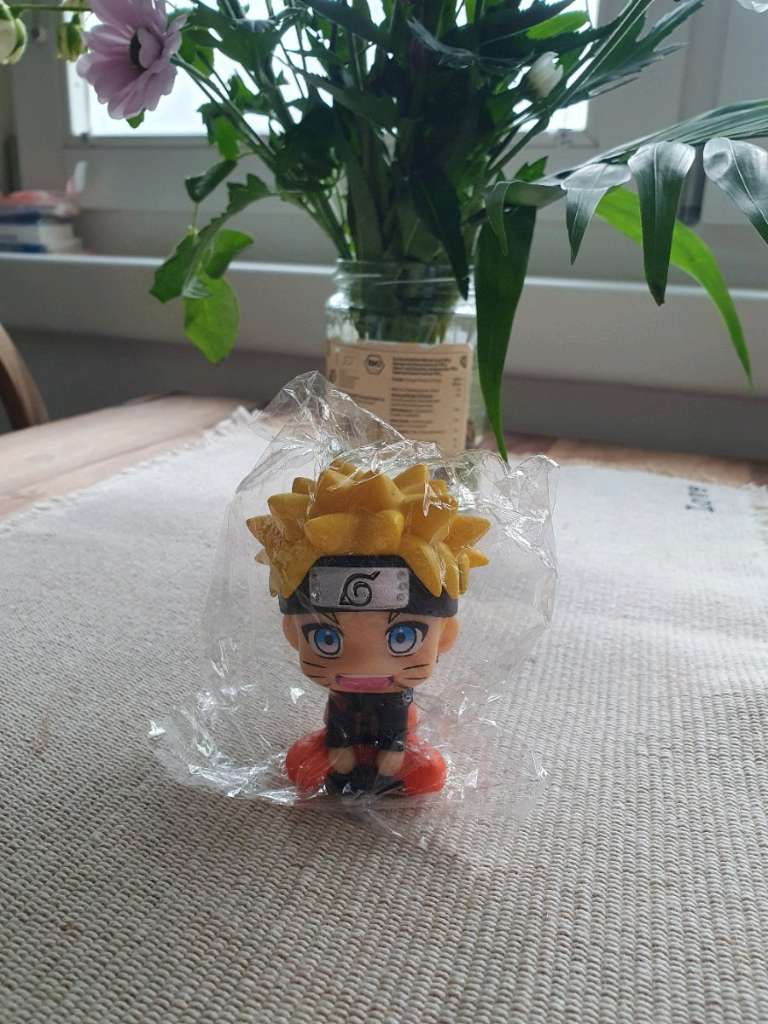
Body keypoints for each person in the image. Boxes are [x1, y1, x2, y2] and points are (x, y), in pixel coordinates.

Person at [246, 460, 490, 796]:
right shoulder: (343, 695)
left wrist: (393, 750)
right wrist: (339, 748)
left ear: (445, 635)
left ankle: (381, 773)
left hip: (395, 738)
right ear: (292, 633)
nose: (362, 664)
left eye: (403, 638)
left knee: (429, 772)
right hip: (346, 736)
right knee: (301, 765)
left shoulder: (397, 697)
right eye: (325, 638)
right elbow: (338, 721)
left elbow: (397, 723)